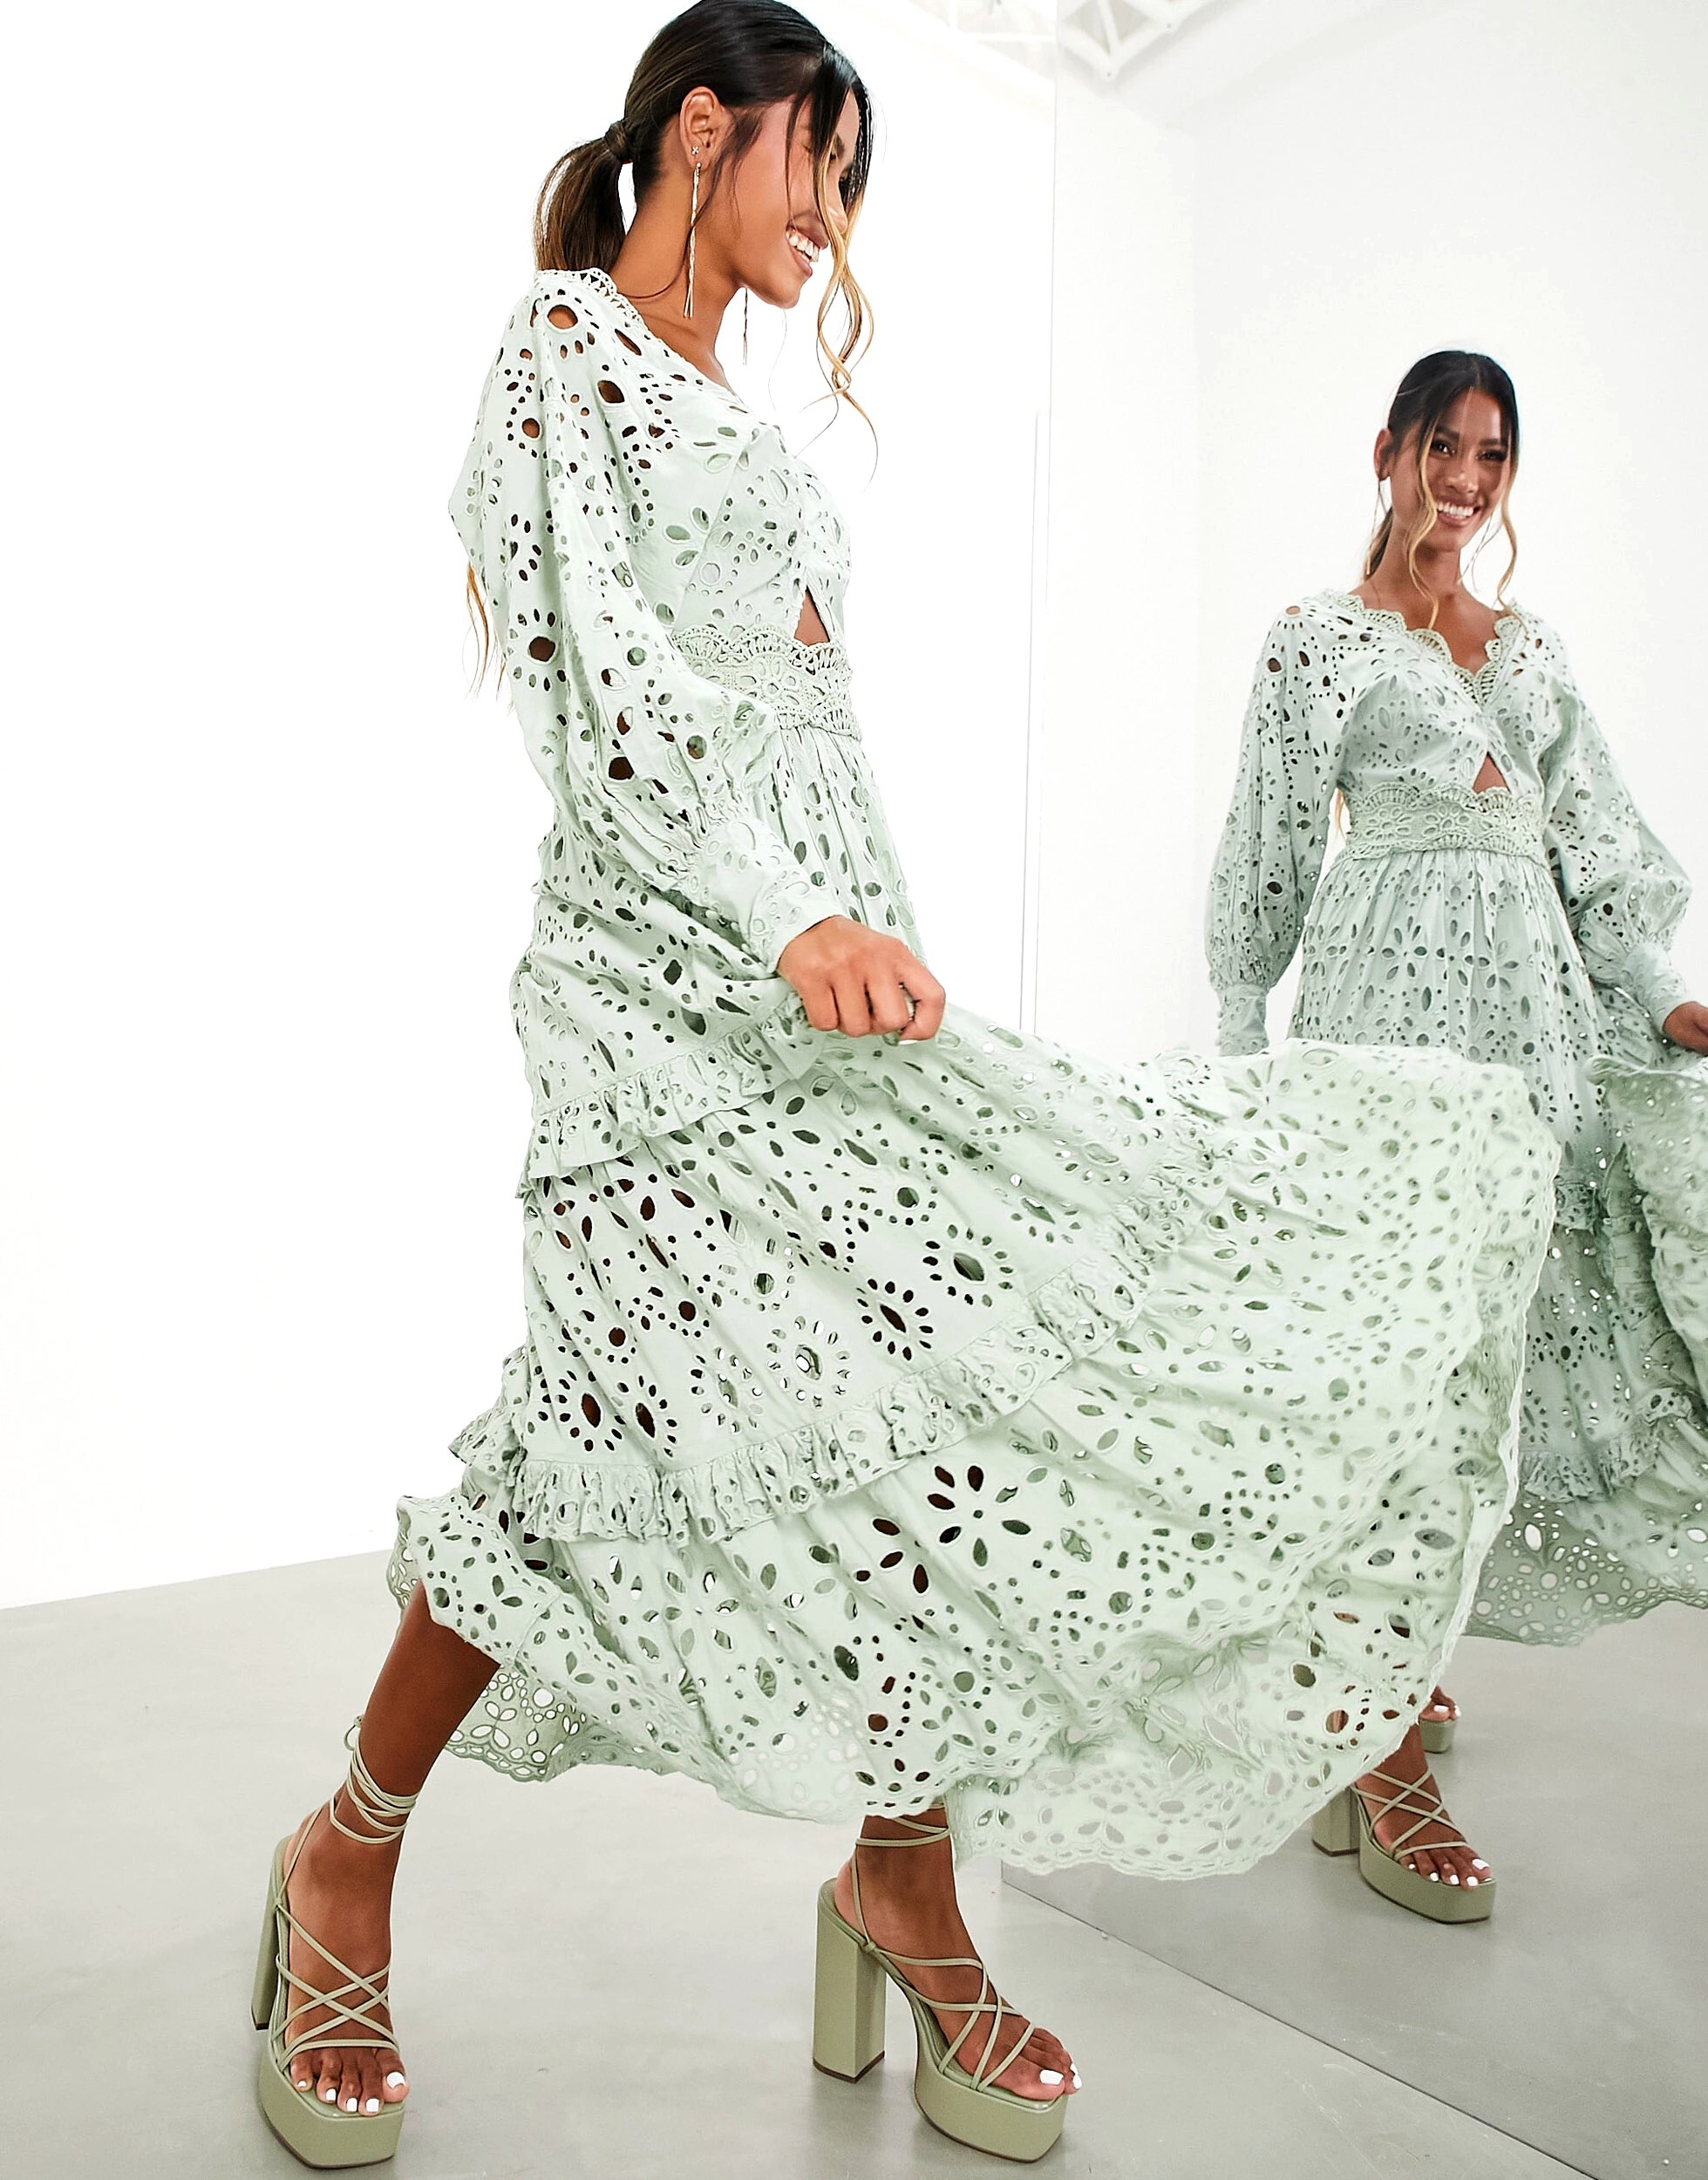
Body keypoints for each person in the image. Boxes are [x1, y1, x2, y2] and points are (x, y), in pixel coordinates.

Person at [248, 10, 1562, 2166]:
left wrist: (872, 944)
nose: (833, 220)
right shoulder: (564, 348)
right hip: (655, 988)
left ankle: (902, 1874)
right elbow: (613, 702)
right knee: (599, 1422)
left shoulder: (742, 417)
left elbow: (812, 732)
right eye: (817, 164)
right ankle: (345, 1851)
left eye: (854, 183)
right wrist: (781, 921)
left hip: (830, 980)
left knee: (934, 1404)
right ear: (702, 128)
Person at [1206, 349, 1708, 1925]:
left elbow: (1595, 846)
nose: (1468, 480)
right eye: (1445, 446)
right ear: (1389, 449)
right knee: (1396, 1358)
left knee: (1497, 1357)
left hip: (1534, 1031)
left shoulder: (1530, 646)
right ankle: (1375, 1743)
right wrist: (1242, 1052)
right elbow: (1268, 854)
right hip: (1387, 1026)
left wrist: (1664, 994)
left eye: (1493, 455)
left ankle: (1396, 1653)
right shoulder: (1317, 641)